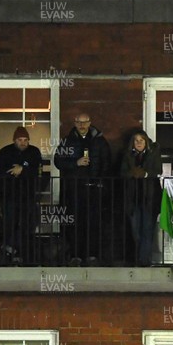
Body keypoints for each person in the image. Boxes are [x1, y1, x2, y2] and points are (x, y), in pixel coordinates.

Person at [54, 113, 111, 266]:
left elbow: (107, 164)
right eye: (79, 122)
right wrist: (76, 163)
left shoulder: (100, 141)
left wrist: (101, 183)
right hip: (74, 189)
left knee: (93, 224)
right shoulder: (67, 141)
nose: (82, 125)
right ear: (75, 123)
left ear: (90, 122)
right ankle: (75, 255)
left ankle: (92, 255)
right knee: (74, 224)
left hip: (94, 189)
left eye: (85, 122)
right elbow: (58, 161)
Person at [0, 126, 42, 264]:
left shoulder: (34, 152)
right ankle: (9, 253)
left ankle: (25, 254)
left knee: (27, 225)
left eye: (25, 140)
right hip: (9, 195)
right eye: (20, 140)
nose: (23, 142)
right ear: (14, 140)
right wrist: (13, 174)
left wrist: (22, 170)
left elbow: (38, 172)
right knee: (10, 224)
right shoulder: (5, 152)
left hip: (28, 195)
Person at [120, 130, 162, 266]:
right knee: (135, 230)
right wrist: (131, 173)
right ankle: (137, 258)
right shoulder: (127, 155)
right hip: (133, 198)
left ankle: (144, 260)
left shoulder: (153, 154)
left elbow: (158, 170)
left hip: (149, 197)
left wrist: (145, 174)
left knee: (147, 230)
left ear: (146, 142)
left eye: (141, 140)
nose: (139, 143)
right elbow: (121, 172)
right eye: (136, 140)